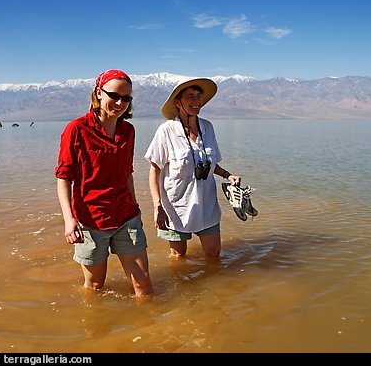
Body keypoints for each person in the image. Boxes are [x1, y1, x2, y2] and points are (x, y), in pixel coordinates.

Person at [55, 69, 154, 298]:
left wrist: (136, 207)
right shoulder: (76, 129)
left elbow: (126, 173)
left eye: (126, 98)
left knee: (144, 287)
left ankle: (147, 332)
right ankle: (96, 331)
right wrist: (69, 220)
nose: (120, 103)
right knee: (95, 288)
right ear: (99, 93)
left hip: (126, 216)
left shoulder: (128, 131)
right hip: (91, 220)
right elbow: (64, 177)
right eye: (114, 96)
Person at [144, 78, 241, 260]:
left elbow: (209, 163)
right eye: (190, 96)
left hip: (207, 205)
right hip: (176, 207)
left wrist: (227, 175)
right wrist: (157, 205)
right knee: (178, 256)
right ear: (177, 102)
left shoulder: (208, 127)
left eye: (199, 96)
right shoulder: (166, 131)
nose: (196, 102)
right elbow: (154, 170)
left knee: (213, 255)